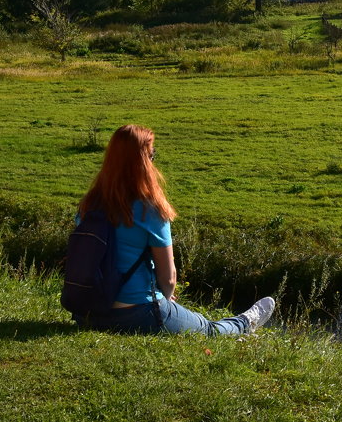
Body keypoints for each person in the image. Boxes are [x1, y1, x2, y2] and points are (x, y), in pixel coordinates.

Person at [73, 124, 274, 335]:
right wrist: (166, 299)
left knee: (186, 317)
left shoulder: (90, 204)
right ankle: (244, 323)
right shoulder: (148, 210)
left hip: (86, 312)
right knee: (208, 329)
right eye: (152, 155)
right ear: (144, 162)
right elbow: (168, 277)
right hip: (135, 313)